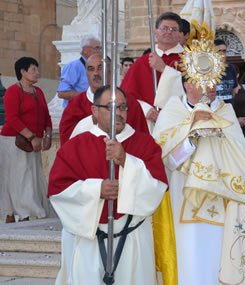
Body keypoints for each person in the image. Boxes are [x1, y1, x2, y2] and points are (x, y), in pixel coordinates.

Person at [152, 79, 245, 285]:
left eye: (213, 81)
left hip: (222, 197)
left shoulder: (225, 111)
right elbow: (166, 160)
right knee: (188, 255)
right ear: (188, 85)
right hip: (184, 199)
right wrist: (191, 130)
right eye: (202, 82)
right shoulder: (173, 110)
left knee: (218, 253)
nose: (210, 87)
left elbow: (241, 153)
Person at [48, 86, 168, 285]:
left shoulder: (145, 144)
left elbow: (157, 188)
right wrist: (96, 190)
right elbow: (58, 191)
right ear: (95, 111)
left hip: (132, 237)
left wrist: (126, 162)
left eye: (122, 107)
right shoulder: (75, 146)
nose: (118, 113)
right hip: (90, 239)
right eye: (111, 108)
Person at [0, 57, 53, 223]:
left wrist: (48, 136)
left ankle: (27, 212)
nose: (37, 73)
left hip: (32, 144)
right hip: (13, 142)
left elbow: (46, 115)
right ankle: (22, 213)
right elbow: (12, 119)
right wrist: (31, 137)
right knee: (17, 179)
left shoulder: (39, 92)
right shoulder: (12, 92)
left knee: (30, 177)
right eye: (33, 70)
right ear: (22, 72)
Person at [59, 54, 149, 145]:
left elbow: (142, 141)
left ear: (111, 72)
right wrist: (91, 120)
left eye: (100, 68)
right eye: (91, 69)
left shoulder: (129, 102)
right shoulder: (76, 104)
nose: (96, 73)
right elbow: (67, 140)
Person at [121, 12, 185, 124]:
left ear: (179, 34)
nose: (169, 32)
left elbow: (194, 90)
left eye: (173, 29)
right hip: (149, 122)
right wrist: (145, 109)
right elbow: (125, 95)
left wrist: (164, 70)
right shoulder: (142, 62)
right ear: (156, 32)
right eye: (164, 28)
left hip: (179, 121)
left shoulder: (189, 60)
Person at [57, 36, 102, 108]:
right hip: (77, 113)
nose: (100, 51)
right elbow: (62, 93)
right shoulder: (73, 66)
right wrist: (88, 97)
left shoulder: (101, 67)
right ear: (85, 50)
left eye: (100, 48)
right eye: (97, 48)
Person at [214, 39, 238, 104]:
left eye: (224, 51)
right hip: (213, 109)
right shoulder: (208, 69)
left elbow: (234, 89)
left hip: (228, 108)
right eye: (219, 51)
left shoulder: (231, 69)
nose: (222, 54)